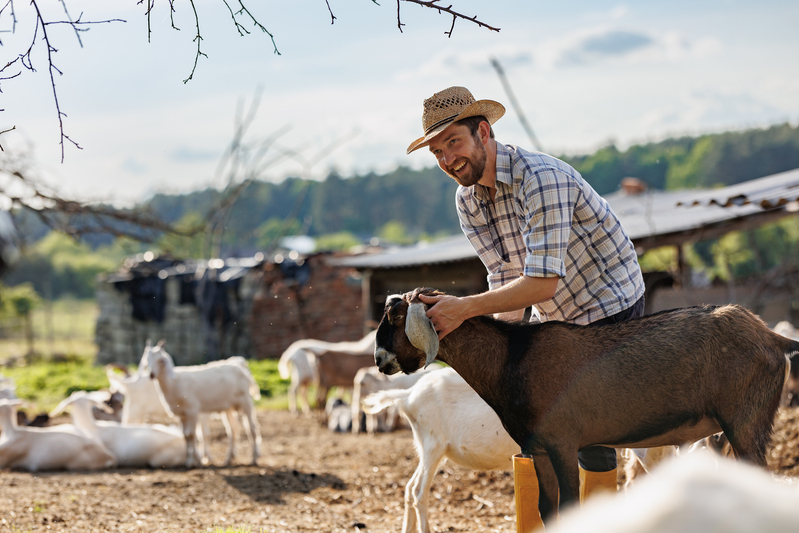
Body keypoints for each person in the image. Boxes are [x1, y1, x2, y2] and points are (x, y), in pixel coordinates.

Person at [406, 86, 646, 518]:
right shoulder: (468, 201)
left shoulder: (541, 178)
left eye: (453, 143)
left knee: (590, 430)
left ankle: (602, 523)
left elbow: (541, 284)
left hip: (609, 302)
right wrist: (500, 359)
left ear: (484, 131)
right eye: (437, 152)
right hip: (556, 314)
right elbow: (504, 275)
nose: (447, 160)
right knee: (533, 425)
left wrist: (463, 309)